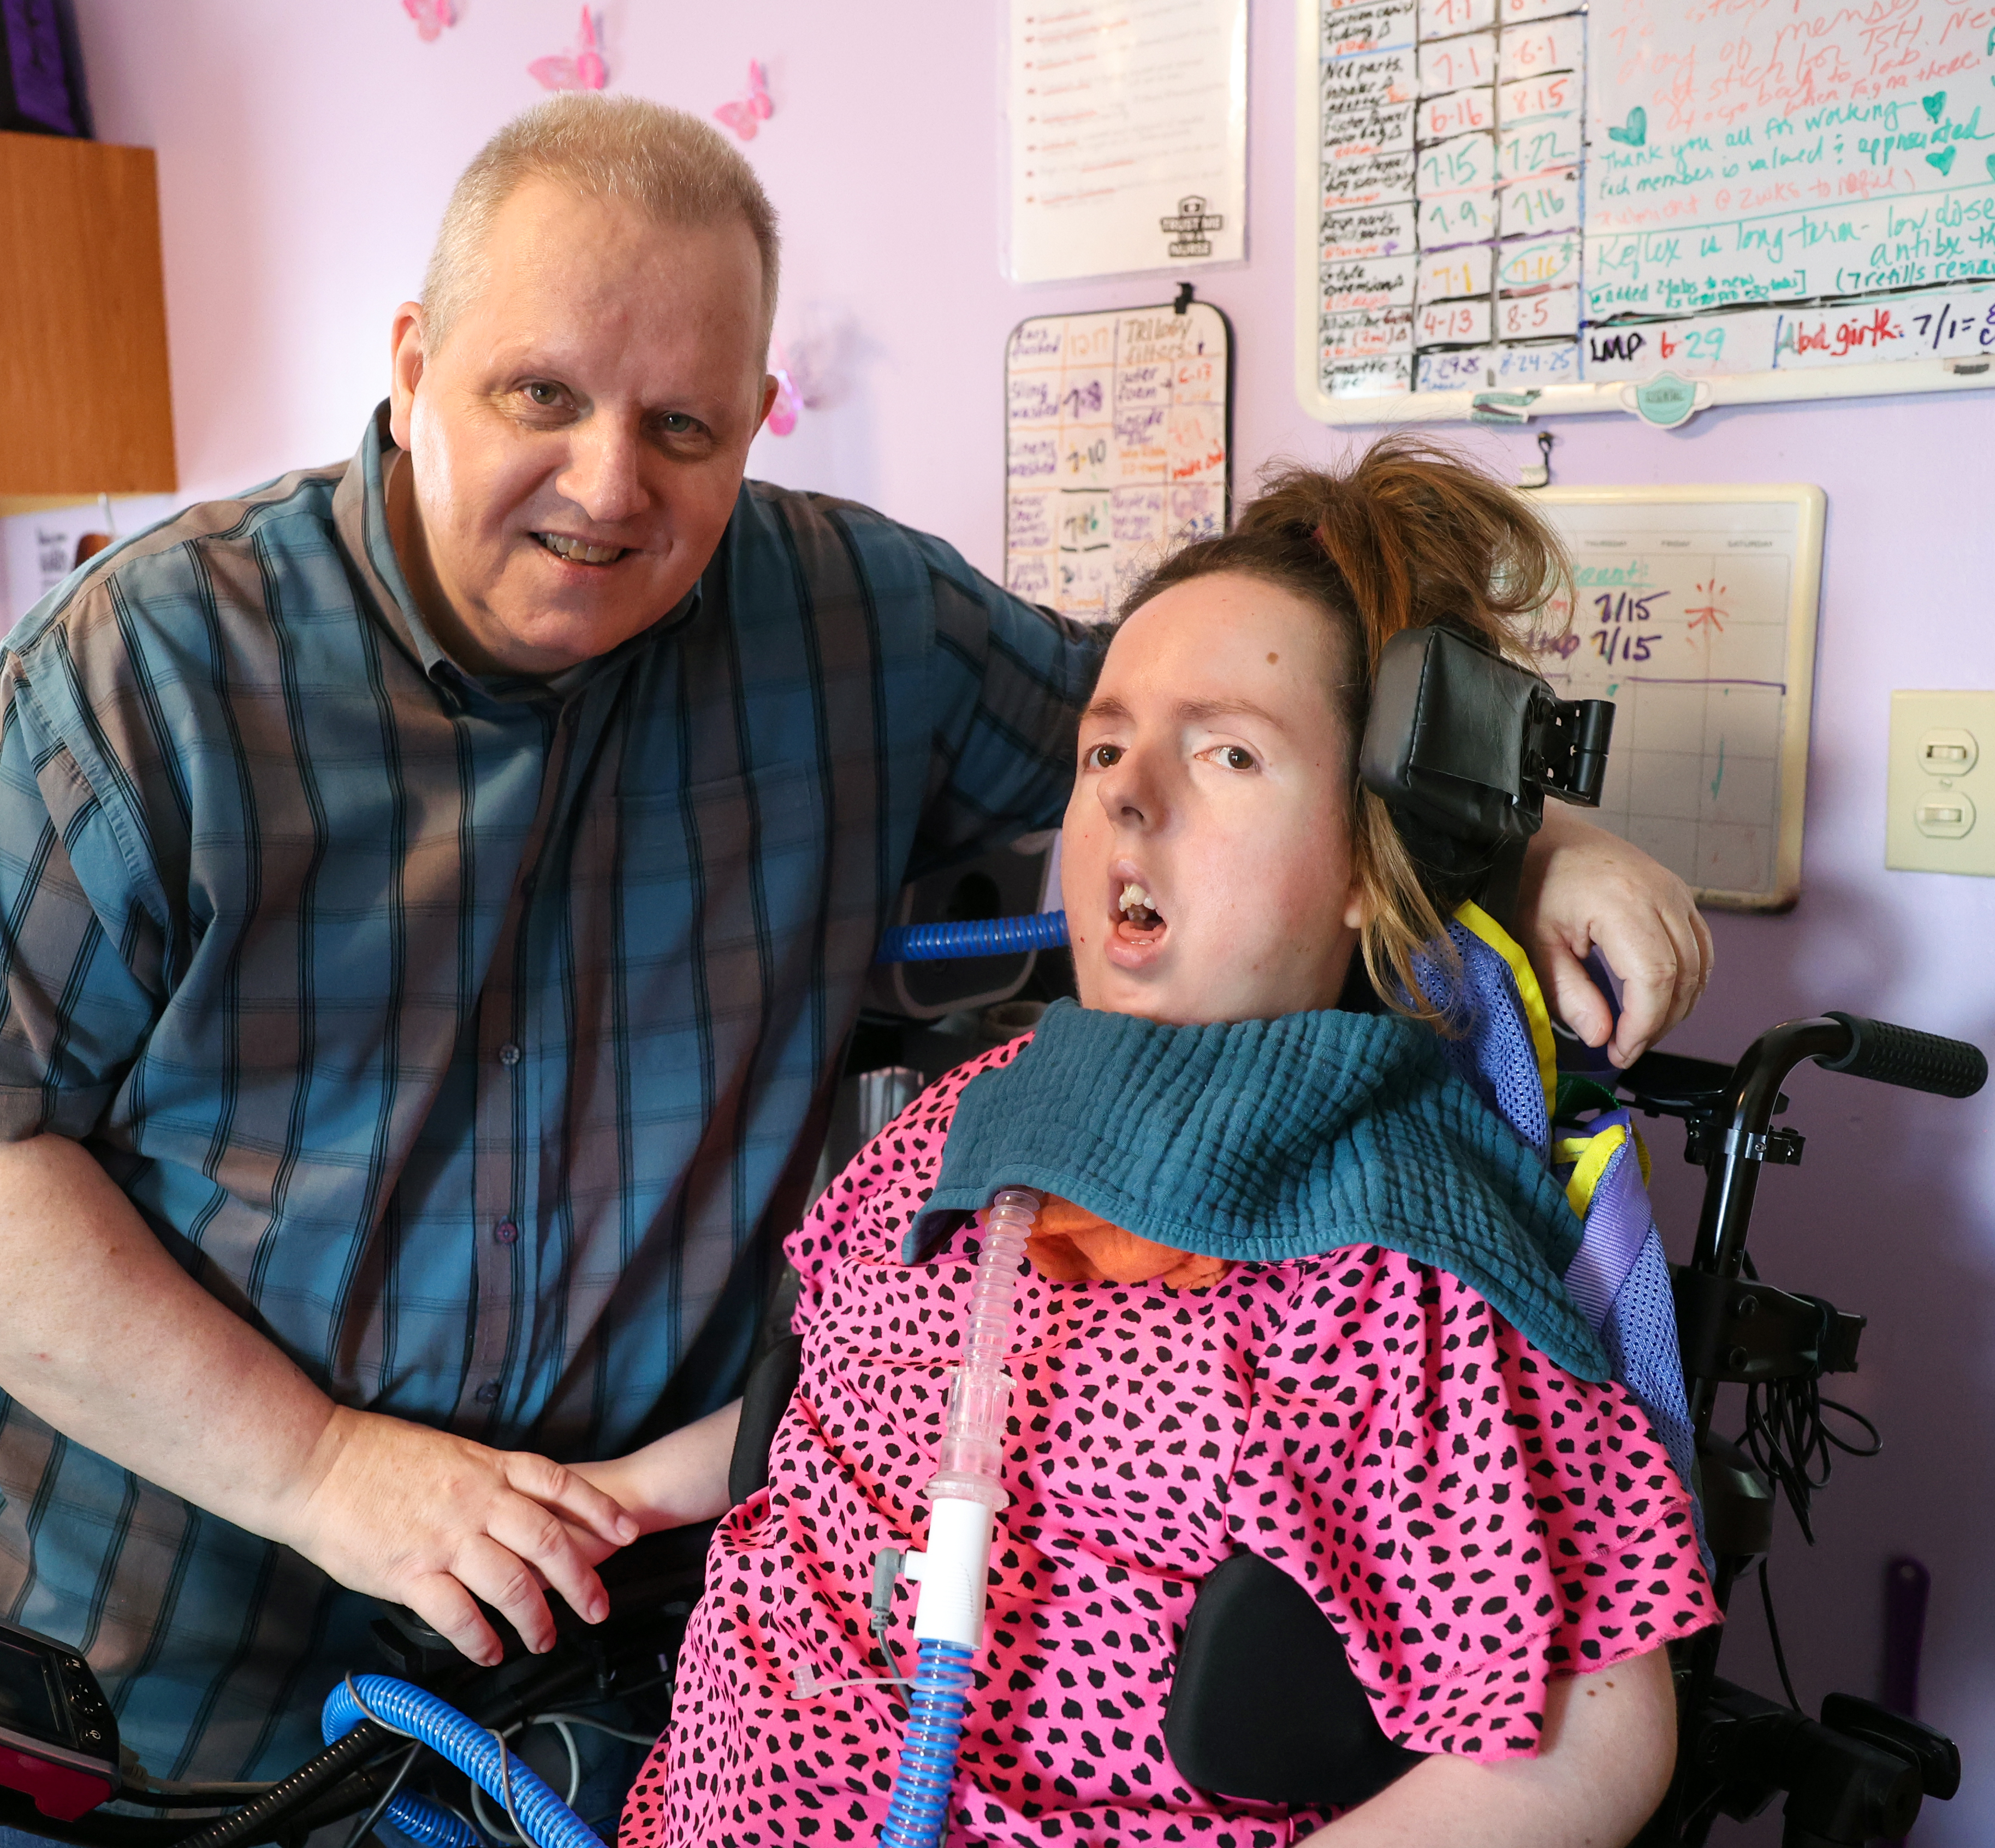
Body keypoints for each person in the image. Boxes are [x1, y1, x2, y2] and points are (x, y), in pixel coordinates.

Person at [0, 94, 1712, 1832]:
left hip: (566, 1624)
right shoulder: (150, 675)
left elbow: (1206, 737)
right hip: (159, 1603)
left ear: (750, 421)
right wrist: (324, 1470)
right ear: (411, 370)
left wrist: (1532, 836)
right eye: (537, 393)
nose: (605, 483)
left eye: (680, 427)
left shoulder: (851, 626)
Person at [592, 440, 1717, 1846]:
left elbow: (1585, 1750)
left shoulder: (1401, 1258)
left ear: (1374, 871)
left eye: (1227, 751)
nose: (1128, 796)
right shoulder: (960, 1121)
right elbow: (824, 1391)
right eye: (1105, 747)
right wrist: (609, 1496)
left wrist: (1545, 847)